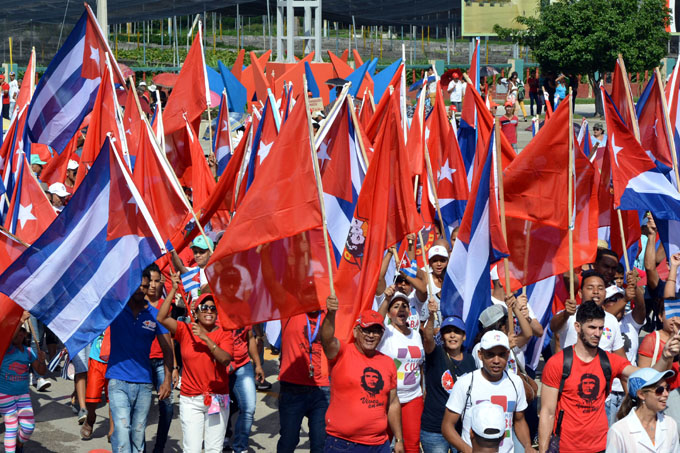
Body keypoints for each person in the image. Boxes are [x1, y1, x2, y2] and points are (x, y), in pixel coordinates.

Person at [538, 301, 680, 453]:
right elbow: (547, 412)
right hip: (566, 447)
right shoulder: (557, 363)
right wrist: (543, 450)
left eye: (601, 328)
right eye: (592, 327)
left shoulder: (609, 361)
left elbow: (648, 377)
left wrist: (665, 356)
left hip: (601, 447)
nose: (597, 333)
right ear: (578, 327)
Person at [157, 278, 234, 453]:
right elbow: (161, 317)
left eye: (213, 308)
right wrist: (173, 290)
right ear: (196, 312)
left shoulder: (224, 333)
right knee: (192, 449)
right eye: (204, 308)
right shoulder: (185, 330)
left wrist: (206, 339)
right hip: (190, 400)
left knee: (214, 449)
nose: (209, 311)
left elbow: (226, 359)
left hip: (217, 398)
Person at [321, 295, 404, 453]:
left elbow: (393, 403)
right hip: (343, 444)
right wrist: (331, 313)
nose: (371, 335)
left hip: (379, 444)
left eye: (376, 331)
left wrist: (399, 439)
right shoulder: (342, 353)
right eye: (366, 330)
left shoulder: (388, 363)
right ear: (356, 331)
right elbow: (326, 339)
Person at [106, 274, 174, 453]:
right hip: (117, 380)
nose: (140, 290)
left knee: (137, 435)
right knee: (121, 431)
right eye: (136, 285)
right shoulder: (116, 308)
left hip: (144, 384)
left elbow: (168, 350)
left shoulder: (154, 315)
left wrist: (167, 380)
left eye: (144, 286)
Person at [442, 330, 535, 453]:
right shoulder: (466, 383)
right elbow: (447, 426)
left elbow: (519, 420)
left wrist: (527, 446)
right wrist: (469, 451)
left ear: (508, 354)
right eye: (490, 354)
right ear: (480, 355)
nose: (496, 360)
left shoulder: (516, 382)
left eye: (501, 354)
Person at [421, 310, 476, 453]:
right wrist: (431, 315)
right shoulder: (435, 354)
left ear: (463, 337)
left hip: (460, 429)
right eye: (448, 331)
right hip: (435, 429)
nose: (452, 335)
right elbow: (427, 338)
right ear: (442, 336)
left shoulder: (470, 360)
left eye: (457, 332)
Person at [377, 292, 425, 453]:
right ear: (389, 313)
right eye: (395, 306)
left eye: (404, 306)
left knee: (412, 445)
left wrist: (423, 390)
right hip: (388, 399)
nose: (400, 309)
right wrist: (386, 299)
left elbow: (420, 365)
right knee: (382, 442)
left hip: (413, 397)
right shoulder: (385, 333)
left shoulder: (416, 335)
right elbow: (377, 320)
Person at [0, 313, 46, 453]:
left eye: (22, 332)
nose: (19, 334)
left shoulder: (29, 352)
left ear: (25, 335)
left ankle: (19, 445)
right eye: (16, 331)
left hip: (23, 395)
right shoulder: (5, 349)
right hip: (5, 395)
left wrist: (42, 359)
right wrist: (20, 319)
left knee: (28, 427)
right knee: (11, 427)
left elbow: (41, 371)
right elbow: (10, 336)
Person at [144, 264, 178, 452]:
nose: (153, 285)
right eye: (150, 281)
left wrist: (174, 367)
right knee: (141, 410)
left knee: (167, 408)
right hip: (142, 363)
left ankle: (159, 447)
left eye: (157, 281)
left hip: (161, 363)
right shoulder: (138, 303)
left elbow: (169, 338)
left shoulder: (166, 305)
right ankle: (138, 446)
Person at [550, 270, 625, 355]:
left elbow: (620, 356)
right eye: (590, 288)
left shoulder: (612, 320)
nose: (596, 292)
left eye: (600, 288)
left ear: (605, 293)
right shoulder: (569, 314)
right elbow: (553, 327)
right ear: (580, 293)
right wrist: (566, 314)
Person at [606, 368, 680, 452]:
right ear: (641, 394)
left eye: (667, 388)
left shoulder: (670, 424)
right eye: (659, 390)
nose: (666, 394)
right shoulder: (618, 431)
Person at [81, 329, 113, 441]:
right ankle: (90, 417)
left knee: (114, 398)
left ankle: (113, 428)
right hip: (96, 359)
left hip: (115, 361)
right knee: (91, 397)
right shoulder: (99, 312)